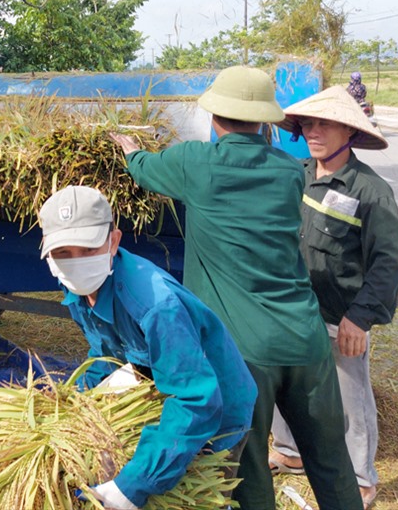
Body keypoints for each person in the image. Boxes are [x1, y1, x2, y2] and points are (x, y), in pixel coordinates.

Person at [110, 65, 363, 510]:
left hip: (245, 352)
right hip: (305, 340)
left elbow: (145, 169)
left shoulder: (195, 163)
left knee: (247, 468)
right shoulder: (289, 172)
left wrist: (130, 150)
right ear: (265, 121)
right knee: (330, 458)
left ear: (214, 116)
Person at [38, 185, 258, 510]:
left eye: (88, 249)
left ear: (114, 241)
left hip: (216, 409)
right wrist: (72, 399)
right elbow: (107, 355)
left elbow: (197, 400)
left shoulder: (156, 306)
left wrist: (134, 484)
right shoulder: (79, 288)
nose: (76, 263)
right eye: (63, 253)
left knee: (197, 500)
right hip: (165, 390)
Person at [270, 85, 398, 509]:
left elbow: (387, 262)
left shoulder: (370, 190)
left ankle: (361, 479)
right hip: (295, 307)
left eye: (324, 123)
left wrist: (360, 317)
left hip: (339, 314)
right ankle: (289, 452)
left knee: (350, 396)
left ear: (348, 130)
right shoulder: (297, 175)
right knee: (285, 383)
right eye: (308, 123)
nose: (313, 130)